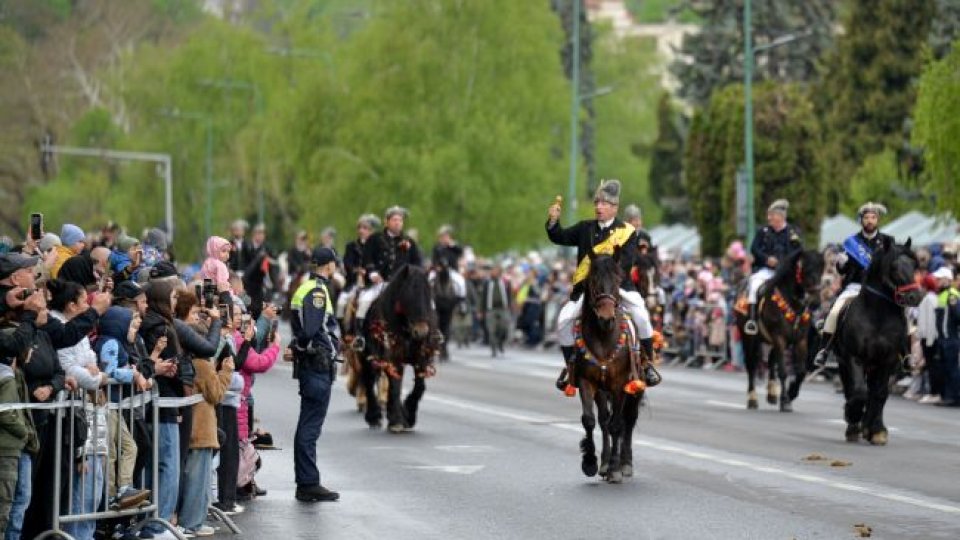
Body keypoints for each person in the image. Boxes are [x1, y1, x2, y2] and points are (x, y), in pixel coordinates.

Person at [546, 180, 659, 392]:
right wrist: (553, 221)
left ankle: (647, 364)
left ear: (614, 208)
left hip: (618, 286)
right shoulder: (584, 228)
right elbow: (559, 236)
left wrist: (607, 277)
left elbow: (626, 263)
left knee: (642, 317)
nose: (598, 207)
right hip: (590, 288)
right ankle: (571, 367)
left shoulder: (627, 232)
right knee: (563, 321)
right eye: (597, 202)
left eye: (604, 203)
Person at [289, 247, 341, 502]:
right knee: (310, 426)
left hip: (312, 365)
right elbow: (310, 330)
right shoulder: (317, 291)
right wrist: (300, 347)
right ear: (328, 265)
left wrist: (296, 348)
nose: (336, 268)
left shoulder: (305, 287)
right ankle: (308, 483)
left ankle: (307, 480)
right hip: (317, 365)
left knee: (307, 424)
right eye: (334, 264)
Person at [814, 203, 893, 365]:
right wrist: (841, 263)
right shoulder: (851, 242)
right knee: (835, 311)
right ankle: (824, 349)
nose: (870, 221)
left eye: (873, 217)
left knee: (900, 313)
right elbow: (843, 271)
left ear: (878, 220)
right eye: (867, 218)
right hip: (855, 286)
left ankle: (904, 353)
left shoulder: (887, 241)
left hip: (879, 289)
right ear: (861, 220)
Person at [743, 199, 802, 336]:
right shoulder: (763, 231)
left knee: (801, 290)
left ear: (781, 217)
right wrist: (766, 259)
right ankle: (752, 320)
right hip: (766, 271)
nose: (769, 218)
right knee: (754, 285)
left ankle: (806, 320)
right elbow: (754, 248)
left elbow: (798, 250)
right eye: (769, 215)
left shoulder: (793, 232)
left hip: (787, 273)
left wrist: (783, 262)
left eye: (772, 215)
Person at [362, 206, 423, 280]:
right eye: (394, 220)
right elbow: (367, 258)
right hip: (378, 283)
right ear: (387, 222)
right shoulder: (374, 239)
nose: (397, 223)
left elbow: (417, 263)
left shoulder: (410, 241)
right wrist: (372, 273)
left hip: (402, 284)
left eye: (400, 220)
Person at [934, 266, 960, 407]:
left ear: (948, 279)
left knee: (952, 369)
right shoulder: (942, 294)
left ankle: (954, 396)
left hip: (950, 338)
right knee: (945, 369)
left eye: (939, 278)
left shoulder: (952, 295)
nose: (936, 280)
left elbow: (957, 316)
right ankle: (947, 396)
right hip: (944, 338)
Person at [479, 263, 512, 357]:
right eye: (492, 271)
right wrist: (481, 310)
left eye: (495, 271)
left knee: (504, 328)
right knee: (491, 329)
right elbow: (482, 297)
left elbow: (509, 295)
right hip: (491, 309)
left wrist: (510, 306)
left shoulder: (505, 282)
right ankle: (493, 349)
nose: (493, 273)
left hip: (503, 308)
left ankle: (500, 342)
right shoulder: (487, 283)